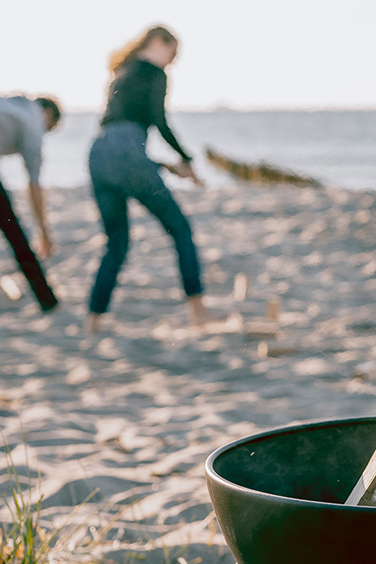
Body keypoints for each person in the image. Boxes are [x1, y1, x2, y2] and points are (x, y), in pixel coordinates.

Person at [86, 25, 214, 333]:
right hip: (127, 154)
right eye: (173, 52)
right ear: (158, 41)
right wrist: (186, 159)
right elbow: (158, 120)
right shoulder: (155, 73)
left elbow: (119, 138)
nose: (172, 61)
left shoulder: (123, 71)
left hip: (98, 154)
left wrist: (166, 166)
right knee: (180, 229)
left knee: (116, 243)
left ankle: (93, 322)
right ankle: (199, 315)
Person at [0, 92, 63, 312]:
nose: (45, 133)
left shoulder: (4, 103)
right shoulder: (33, 120)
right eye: (49, 128)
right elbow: (34, 185)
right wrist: (43, 232)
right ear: (48, 114)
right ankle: (47, 299)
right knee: (12, 228)